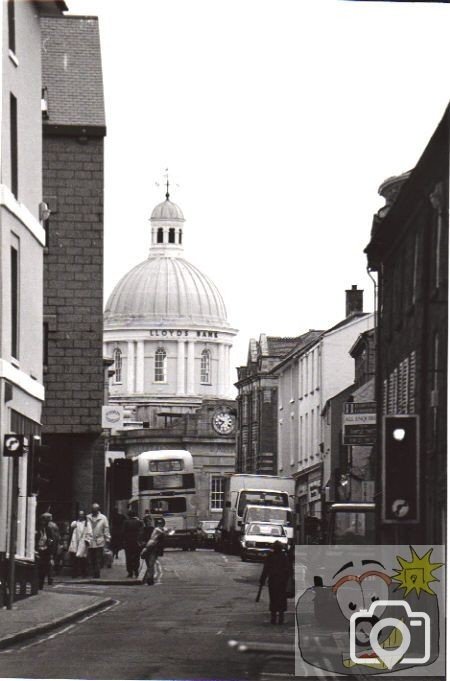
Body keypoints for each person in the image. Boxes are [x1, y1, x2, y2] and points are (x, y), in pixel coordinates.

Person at [259, 541, 290, 624]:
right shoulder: (284, 556)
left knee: (273, 599)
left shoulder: (270, 556)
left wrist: (262, 579)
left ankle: (273, 617)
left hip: (273, 581)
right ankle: (281, 617)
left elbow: (266, 569)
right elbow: (287, 570)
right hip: (281, 581)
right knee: (281, 599)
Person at [140, 517, 168, 585]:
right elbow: (140, 538)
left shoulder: (154, 529)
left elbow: (161, 538)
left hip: (153, 549)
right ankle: (150, 577)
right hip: (147, 548)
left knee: (151, 563)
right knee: (149, 563)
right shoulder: (144, 530)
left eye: (149, 521)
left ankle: (150, 579)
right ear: (145, 522)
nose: (149, 523)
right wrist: (142, 543)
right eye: (147, 521)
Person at [86, 503, 110, 578]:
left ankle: (96, 573)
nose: (94, 512)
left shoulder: (103, 518)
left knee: (97, 558)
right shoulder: (88, 517)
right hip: (90, 540)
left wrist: (107, 538)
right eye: (93, 510)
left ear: (98, 510)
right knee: (91, 558)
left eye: (95, 510)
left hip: (99, 541)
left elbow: (106, 528)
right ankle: (92, 572)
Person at [35, 513, 58, 589]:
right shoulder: (37, 529)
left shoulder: (48, 529)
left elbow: (52, 539)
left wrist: (50, 543)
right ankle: (38, 583)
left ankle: (41, 584)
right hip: (37, 550)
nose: (44, 523)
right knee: (38, 567)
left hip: (45, 551)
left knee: (44, 567)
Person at [68, 510, 91, 578]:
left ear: (84, 515)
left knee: (83, 559)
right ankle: (75, 574)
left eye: (82, 514)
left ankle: (84, 573)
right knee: (75, 559)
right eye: (79, 514)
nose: (80, 516)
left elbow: (89, 533)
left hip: (83, 542)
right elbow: (71, 525)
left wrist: (87, 540)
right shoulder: (75, 523)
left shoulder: (87, 524)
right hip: (76, 542)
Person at [122, 509, 143, 578]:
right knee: (136, 557)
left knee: (128, 558)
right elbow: (141, 532)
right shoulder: (139, 522)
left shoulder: (126, 522)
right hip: (136, 542)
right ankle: (136, 571)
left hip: (128, 543)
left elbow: (123, 533)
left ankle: (130, 572)